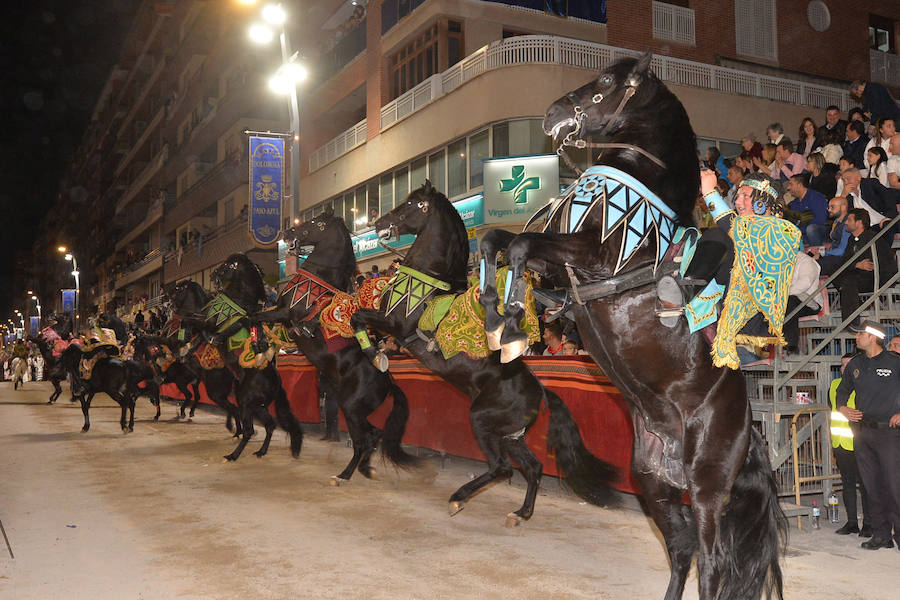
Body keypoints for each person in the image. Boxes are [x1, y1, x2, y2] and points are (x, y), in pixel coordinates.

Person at [834, 320, 900, 550]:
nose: (857, 337)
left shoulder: (895, 362)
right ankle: (882, 535)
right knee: (871, 486)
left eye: (860, 334)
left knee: (894, 486)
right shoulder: (855, 365)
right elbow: (842, 391)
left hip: (889, 434)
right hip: (862, 433)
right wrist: (842, 408)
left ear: (873, 337)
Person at [830, 209, 898, 328]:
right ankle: (852, 301)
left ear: (859, 222)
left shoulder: (872, 238)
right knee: (835, 272)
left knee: (848, 281)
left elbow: (869, 264)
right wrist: (856, 265)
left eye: (849, 220)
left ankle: (851, 324)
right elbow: (846, 263)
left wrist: (855, 265)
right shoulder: (851, 240)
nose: (846, 223)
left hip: (877, 278)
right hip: (860, 277)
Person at [829, 352, 873, 537]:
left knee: (865, 484)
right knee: (847, 483)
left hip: (858, 442)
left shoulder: (863, 387)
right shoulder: (834, 385)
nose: (843, 368)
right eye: (842, 365)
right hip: (840, 442)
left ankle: (869, 524)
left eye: (848, 365)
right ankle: (852, 522)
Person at [809, 196, 851, 276]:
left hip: (840, 258)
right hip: (833, 254)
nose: (829, 210)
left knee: (810, 266)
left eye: (832, 207)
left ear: (843, 207)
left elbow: (842, 250)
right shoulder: (836, 221)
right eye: (829, 207)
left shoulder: (848, 224)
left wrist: (822, 253)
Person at [786, 173, 829, 246]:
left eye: (791, 184)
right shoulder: (795, 203)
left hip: (819, 231)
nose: (788, 188)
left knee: (810, 229)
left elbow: (820, 220)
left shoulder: (815, 197)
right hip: (802, 234)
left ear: (799, 185)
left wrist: (799, 231)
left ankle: (817, 253)